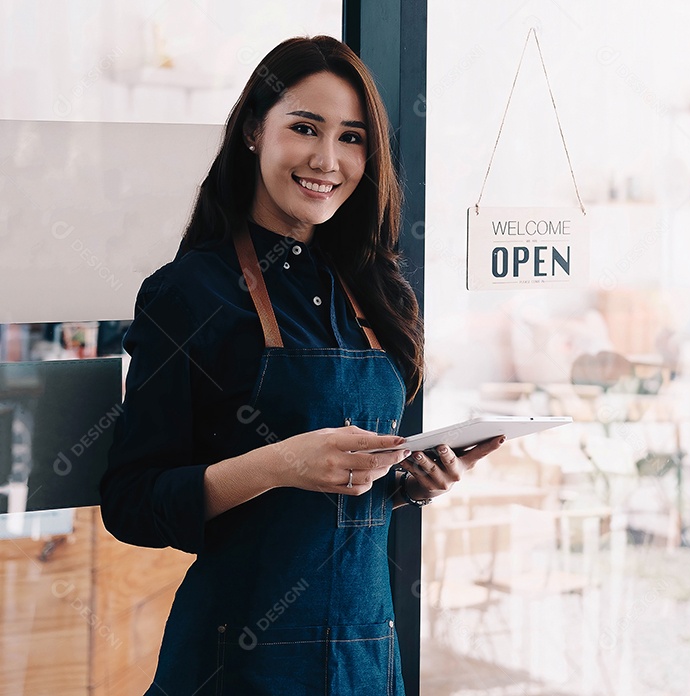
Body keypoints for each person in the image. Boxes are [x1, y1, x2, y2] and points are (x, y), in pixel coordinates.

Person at [99, 35, 502, 694]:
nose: (327, 158)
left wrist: (411, 482)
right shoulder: (190, 293)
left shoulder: (380, 292)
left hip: (366, 657)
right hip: (237, 662)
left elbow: (342, 496)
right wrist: (278, 463)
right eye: (305, 128)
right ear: (256, 131)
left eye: (351, 137)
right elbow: (131, 503)